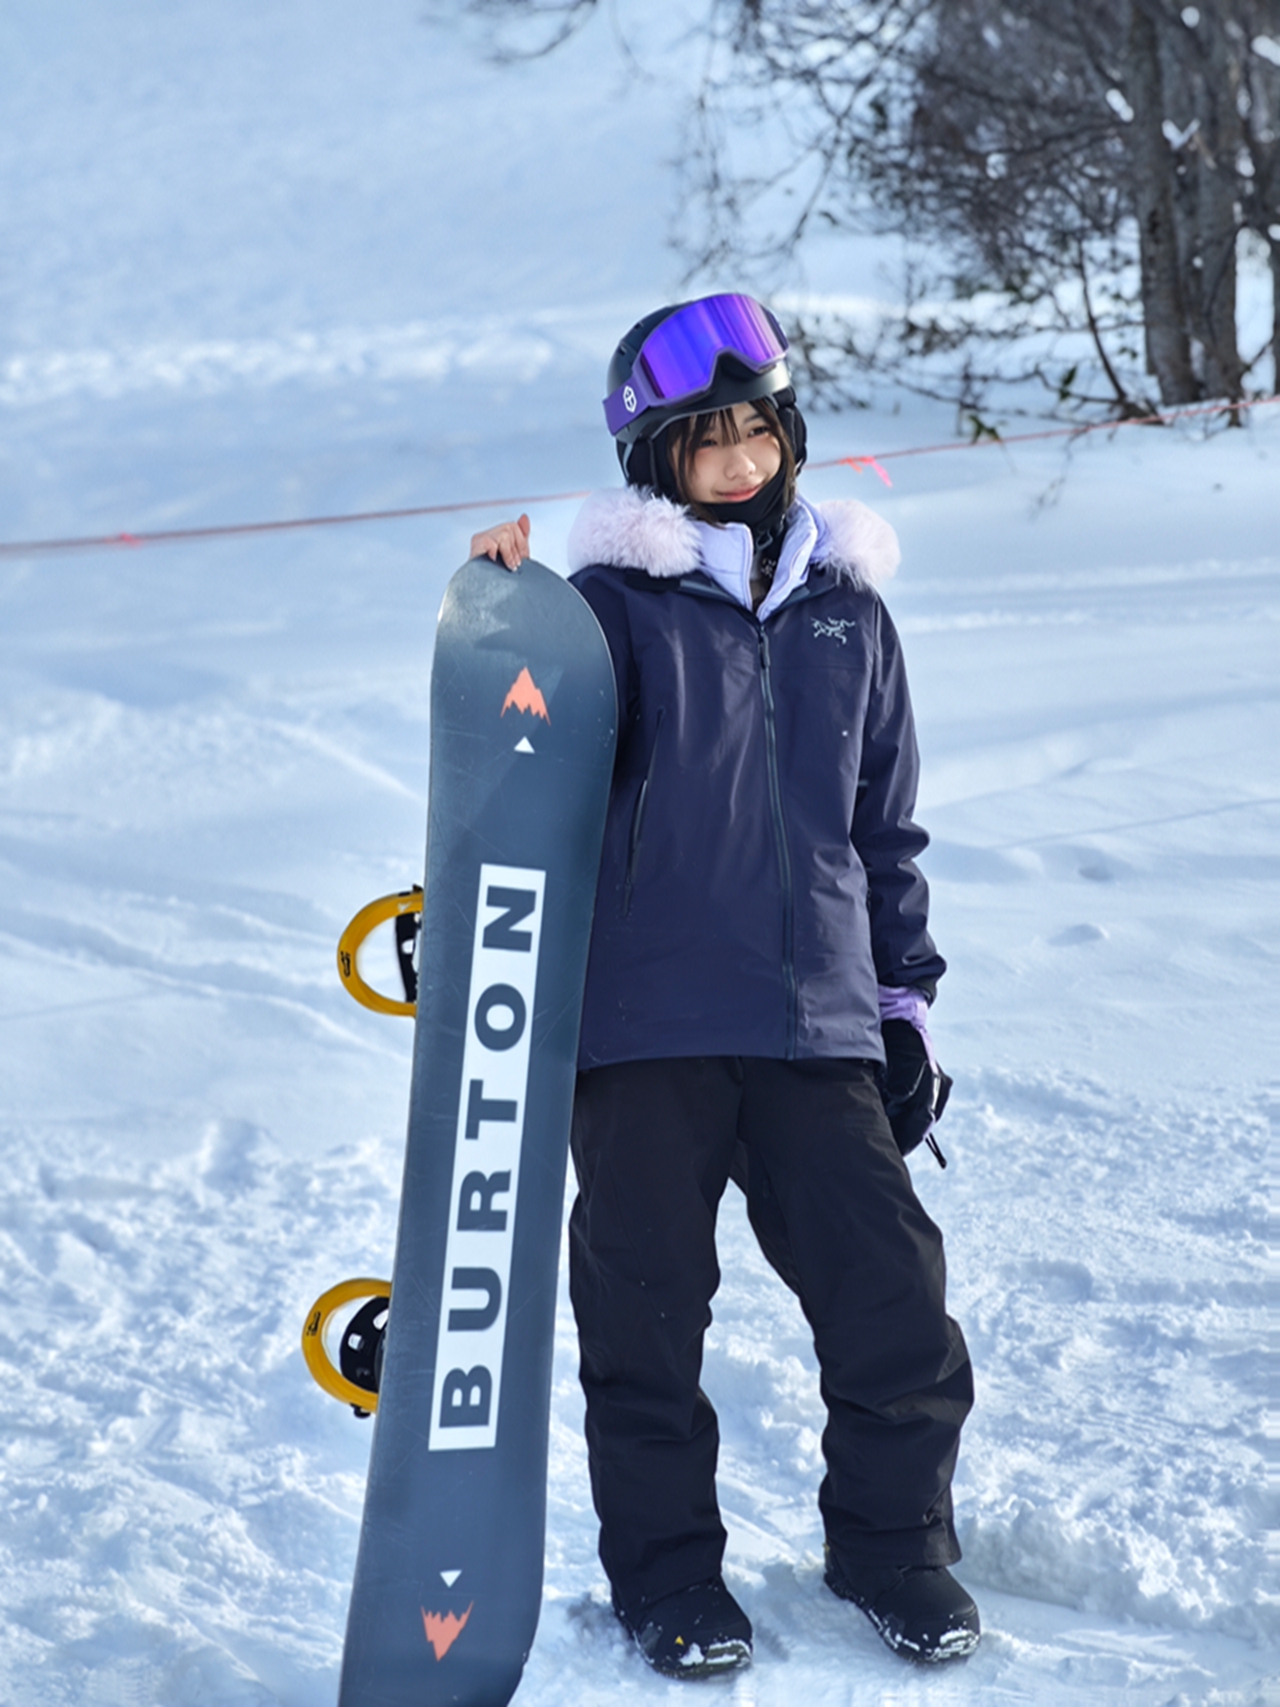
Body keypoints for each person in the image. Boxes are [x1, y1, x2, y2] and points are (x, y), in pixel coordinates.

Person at [470, 293, 977, 1679]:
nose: (741, 460)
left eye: (759, 430)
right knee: (645, 1322)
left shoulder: (847, 613)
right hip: (645, 1031)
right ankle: (670, 1580)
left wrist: (902, 1004)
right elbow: (518, 770)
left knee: (895, 1303)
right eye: (708, 440)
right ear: (657, 458)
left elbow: (883, 829)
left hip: (819, 1025)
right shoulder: (608, 611)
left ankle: (891, 1547)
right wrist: (508, 610)